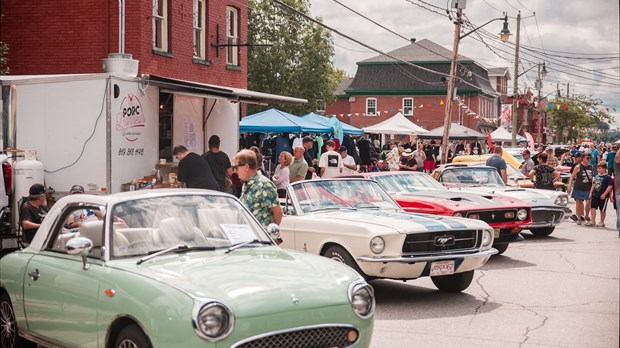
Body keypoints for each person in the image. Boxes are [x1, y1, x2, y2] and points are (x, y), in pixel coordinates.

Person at [234, 149, 283, 227]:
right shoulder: (246, 184)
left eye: (236, 167)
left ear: (246, 166)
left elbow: (277, 212)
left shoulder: (264, 184)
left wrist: (270, 234)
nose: (235, 171)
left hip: (260, 237)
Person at [568, 152, 593, 225]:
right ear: (582, 159)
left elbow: (593, 178)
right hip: (579, 187)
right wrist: (569, 186)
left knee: (588, 202)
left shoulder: (591, 166)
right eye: (587, 158)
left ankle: (587, 215)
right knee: (578, 203)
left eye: (590, 158)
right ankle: (579, 217)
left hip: (588, 188)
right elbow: (572, 176)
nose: (589, 159)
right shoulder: (578, 167)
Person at [587, 161, 613, 227]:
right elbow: (593, 184)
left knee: (602, 209)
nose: (598, 169)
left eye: (600, 168)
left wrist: (605, 194)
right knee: (593, 207)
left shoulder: (607, 177)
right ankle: (593, 221)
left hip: (603, 196)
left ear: (604, 169)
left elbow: (610, 186)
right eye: (598, 168)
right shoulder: (596, 176)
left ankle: (602, 221)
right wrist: (590, 193)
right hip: (595, 195)